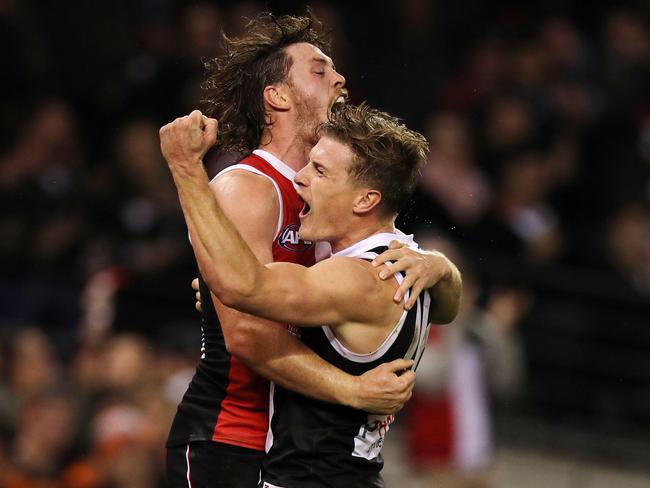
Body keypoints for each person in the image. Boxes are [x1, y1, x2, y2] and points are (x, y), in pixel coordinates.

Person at [164, 12, 455, 488]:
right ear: (277, 97)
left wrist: (439, 267)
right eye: (319, 70)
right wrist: (354, 390)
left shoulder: (327, 206)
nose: (340, 78)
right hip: (233, 436)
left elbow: (410, 301)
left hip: (291, 449)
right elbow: (248, 335)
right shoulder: (248, 188)